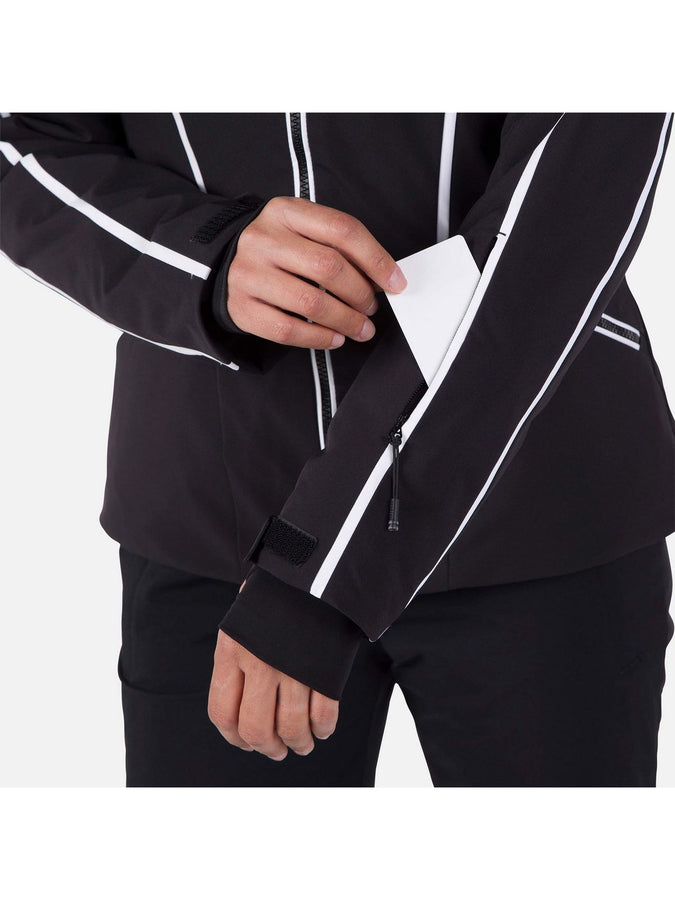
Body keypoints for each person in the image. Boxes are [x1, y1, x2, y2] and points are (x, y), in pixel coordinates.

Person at [1, 112, 674, 787]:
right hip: (216, 519)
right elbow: (20, 143)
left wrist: (314, 578)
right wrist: (202, 256)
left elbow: (562, 212)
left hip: (537, 508)